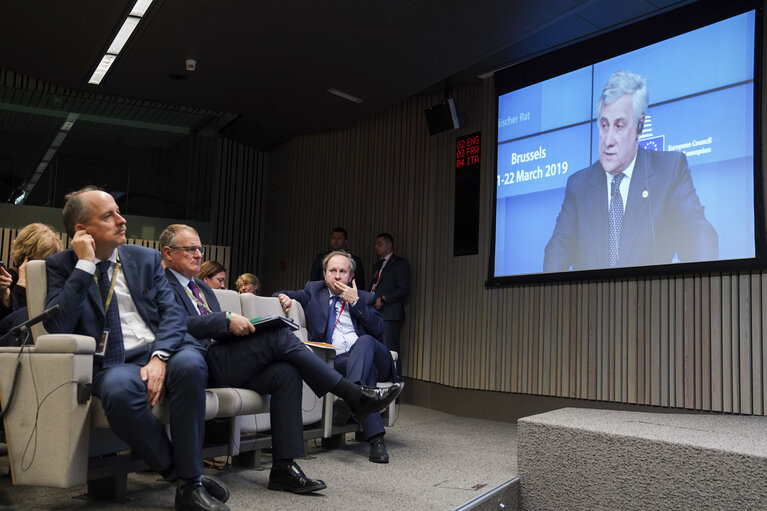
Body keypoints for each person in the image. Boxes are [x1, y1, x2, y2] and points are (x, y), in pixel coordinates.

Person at [160, 225, 403, 488]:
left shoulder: (202, 289)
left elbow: (380, 331)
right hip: (195, 361)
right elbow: (174, 325)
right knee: (279, 337)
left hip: (222, 354)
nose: (198, 254)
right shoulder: (161, 285)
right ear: (168, 253)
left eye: (199, 249)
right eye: (190, 249)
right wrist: (227, 319)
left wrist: (240, 329)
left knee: (286, 373)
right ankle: (353, 395)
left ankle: (283, 468)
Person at [42, 187, 229, 511]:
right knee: (116, 392)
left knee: (190, 365)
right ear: (82, 231)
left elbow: (172, 314)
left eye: (118, 211)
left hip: (162, 349)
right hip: (113, 363)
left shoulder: (145, 258)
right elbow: (57, 326)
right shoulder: (62, 265)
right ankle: (185, 478)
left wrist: (160, 357)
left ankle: (190, 484)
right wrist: (85, 266)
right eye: (108, 216)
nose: (121, 219)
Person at [543, 70, 718, 272]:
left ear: (639, 126)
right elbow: (557, 251)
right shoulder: (578, 185)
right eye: (604, 125)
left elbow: (698, 234)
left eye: (619, 126)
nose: (608, 141)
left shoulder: (669, 170)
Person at [276, 250, 399, 464]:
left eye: (343, 271)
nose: (337, 275)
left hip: (376, 357)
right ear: (325, 275)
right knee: (364, 372)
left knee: (366, 342)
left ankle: (352, 394)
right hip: (339, 362)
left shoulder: (366, 297)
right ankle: (375, 438)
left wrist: (356, 303)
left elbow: (379, 329)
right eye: (332, 270)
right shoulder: (313, 292)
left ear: (351, 276)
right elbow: (278, 293)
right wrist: (282, 297)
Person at [0, 223, 63, 341]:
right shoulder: (6, 280)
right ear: (26, 257)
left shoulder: (53, 282)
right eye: (41, 260)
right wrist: (21, 285)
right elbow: (12, 324)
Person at [370, 233, 411, 360]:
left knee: (390, 348)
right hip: (374, 312)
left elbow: (403, 289)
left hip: (390, 314)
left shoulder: (400, 263)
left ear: (389, 245)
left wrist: (384, 298)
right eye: (376, 244)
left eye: (380, 244)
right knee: (377, 347)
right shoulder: (377, 265)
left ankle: (395, 378)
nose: (376, 247)